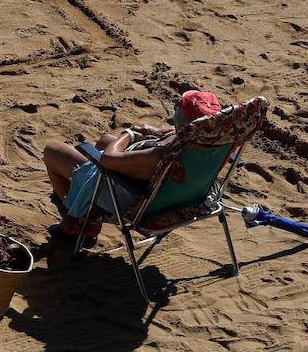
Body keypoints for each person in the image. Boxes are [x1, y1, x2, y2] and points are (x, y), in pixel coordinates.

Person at [42, 90, 223, 245]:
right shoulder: (207, 143)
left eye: (180, 107)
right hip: (177, 198)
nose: (176, 109)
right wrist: (157, 132)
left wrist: (128, 135)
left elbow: (108, 159)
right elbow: (175, 132)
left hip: (130, 198)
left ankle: (78, 225)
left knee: (53, 151)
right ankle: (81, 209)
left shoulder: (160, 156)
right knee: (104, 140)